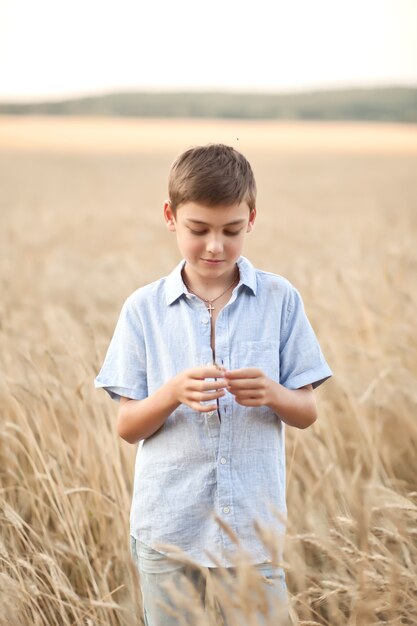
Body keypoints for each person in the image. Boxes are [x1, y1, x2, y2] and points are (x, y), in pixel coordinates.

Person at [94, 144, 333, 625]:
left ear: (252, 218)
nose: (215, 246)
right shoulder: (142, 310)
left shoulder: (280, 300)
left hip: (252, 532)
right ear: (170, 216)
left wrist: (274, 393)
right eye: (198, 230)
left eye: (232, 231)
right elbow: (127, 426)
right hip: (168, 531)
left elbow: (306, 412)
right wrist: (171, 394)